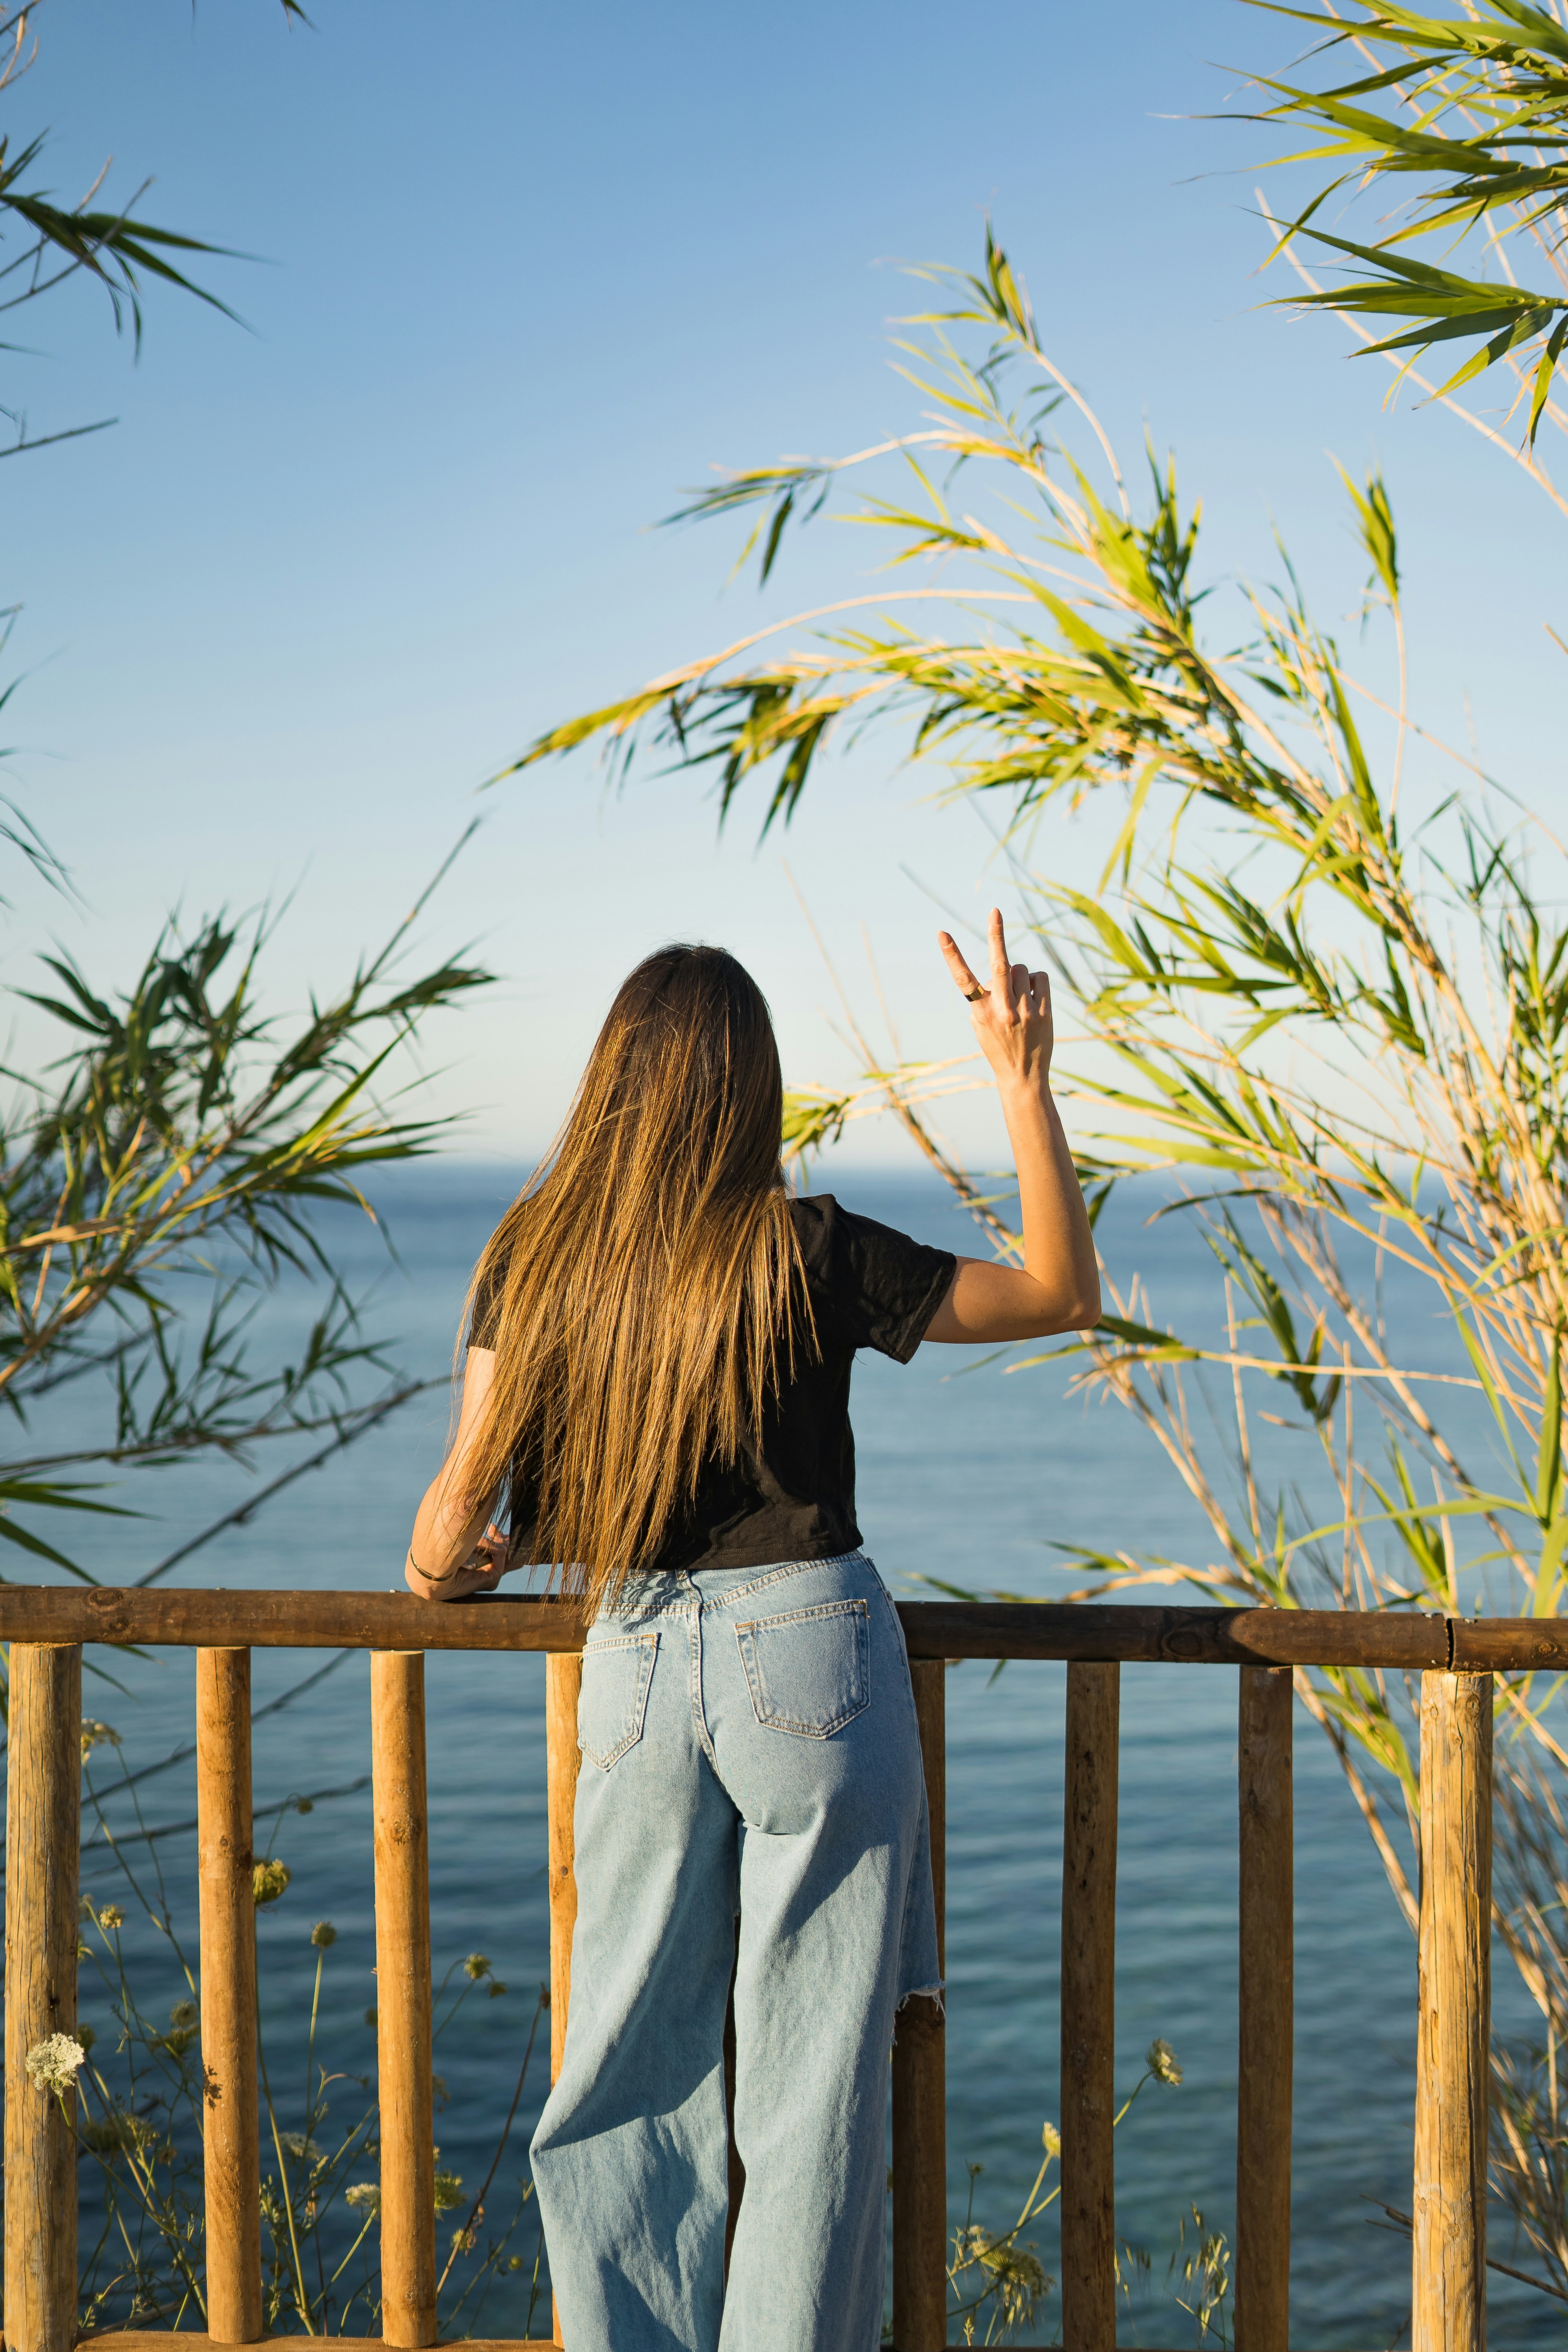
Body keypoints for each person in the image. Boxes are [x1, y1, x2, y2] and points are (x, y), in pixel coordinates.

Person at [404, 910, 1100, 2352]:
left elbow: (440, 1544)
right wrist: (1021, 1081)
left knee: (620, 2075)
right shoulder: (807, 1250)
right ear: (751, 1092)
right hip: (812, 1657)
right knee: (812, 2095)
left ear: (612, 1083)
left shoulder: (535, 1256)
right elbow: (1055, 1293)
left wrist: (490, 1553)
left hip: (640, 1660)